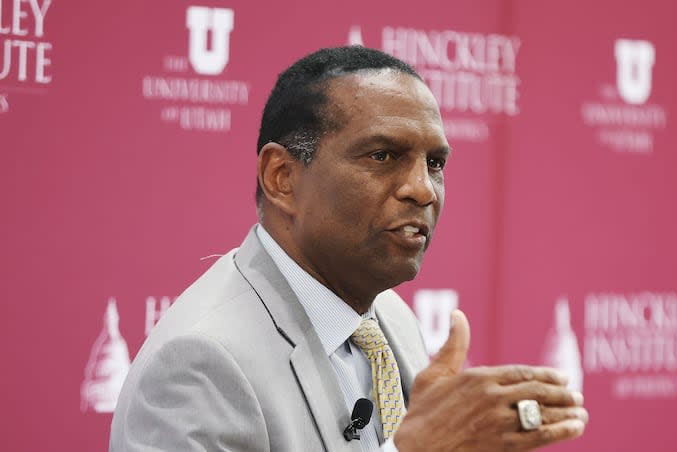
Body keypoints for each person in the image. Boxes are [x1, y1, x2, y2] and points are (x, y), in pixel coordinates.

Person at [109, 46, 588, 452]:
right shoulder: (201, 363)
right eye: (382, 156)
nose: (423, 190)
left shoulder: (389, 317)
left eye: (435, 163)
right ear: (282, 178)